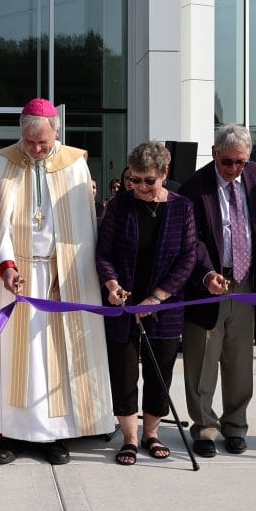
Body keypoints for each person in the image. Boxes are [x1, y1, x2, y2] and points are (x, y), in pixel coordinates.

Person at [0, 98, 113, 465]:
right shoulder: (4, 164)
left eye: (44, 142)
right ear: (21, 133)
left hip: (61, 277)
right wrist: (5, 267)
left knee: (57, 356)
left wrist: (70, 273)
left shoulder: (75, 165)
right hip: (14, 278)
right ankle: (11, 432)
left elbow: (85, 229)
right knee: (12, 358)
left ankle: (55, 434)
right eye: (30, 142)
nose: (36, 150)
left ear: (57, 133)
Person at [96, 142, 196, 465]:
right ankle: (129, 437)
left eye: (148, 181)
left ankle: (151, 433)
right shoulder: (119, 206)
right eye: (134, 180)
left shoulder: (182, 208)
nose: (139, 187)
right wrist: (112, 285)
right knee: (123, 372)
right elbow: (104, 253)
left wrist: (157, 298)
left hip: (164, 306)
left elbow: (188, 257)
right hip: (122, 304)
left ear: (164, 174)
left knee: (159, 371)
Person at [179, 123, 256, 457]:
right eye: (228, 162)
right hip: (210, 283)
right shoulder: (194, 186)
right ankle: (204, 426)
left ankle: (236, 425)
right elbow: (192, 240)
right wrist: (206, 275)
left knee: (239, 358)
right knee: (203, 356)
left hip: (245, 281)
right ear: (215, 153)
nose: (235, 169)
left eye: (241, 162)